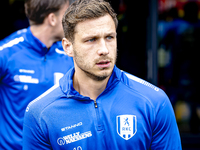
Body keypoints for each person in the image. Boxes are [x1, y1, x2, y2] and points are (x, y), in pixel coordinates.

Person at [23, 0, 182, 149]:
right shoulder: (40, 113)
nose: (104, 49)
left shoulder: (154, 102)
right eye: (91, 40)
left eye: (109, 37)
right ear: (68, 47)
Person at [0, 0, 76, 149]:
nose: (71, 22)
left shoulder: (70, 56)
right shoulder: (6, 52)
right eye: (66, 15)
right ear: (52, 19)